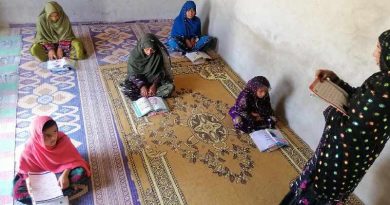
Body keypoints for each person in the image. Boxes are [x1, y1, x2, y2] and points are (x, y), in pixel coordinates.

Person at [280, 30, 390, 205]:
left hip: (340, 159)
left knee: (317, 193)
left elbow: (351, 132)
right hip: (351, 160)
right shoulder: (382, 79)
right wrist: (335, 79)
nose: (374, 53)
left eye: (379, 47)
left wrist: (333, 111)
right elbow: (357, 99)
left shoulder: (384, 88)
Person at [13, 116, 91, 204]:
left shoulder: (62, 140)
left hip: (60, 173)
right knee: (17, 192)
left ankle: (51, 196)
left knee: (80, 172)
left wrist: (65, 175)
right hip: (40, 176)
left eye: (55, 131)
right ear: (38, 136)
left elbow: (74, 159)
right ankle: (62, 193)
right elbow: (24, 170)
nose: (53, 137)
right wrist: (28, 181)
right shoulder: (30, 147)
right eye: (47, 135)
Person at [120, 33, 174, 101]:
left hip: (153, 80)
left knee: (170, 87)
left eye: (152, 50)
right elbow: (132, 74)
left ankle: (146, 94)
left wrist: (154, 85)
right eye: (147, 49)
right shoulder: (134, 56)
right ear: (142, 46)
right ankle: (148, 94)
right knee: (127, 90)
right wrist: (142, 86)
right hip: (138, 81)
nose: (149, 52)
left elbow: (161, 72)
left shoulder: (157, 55)